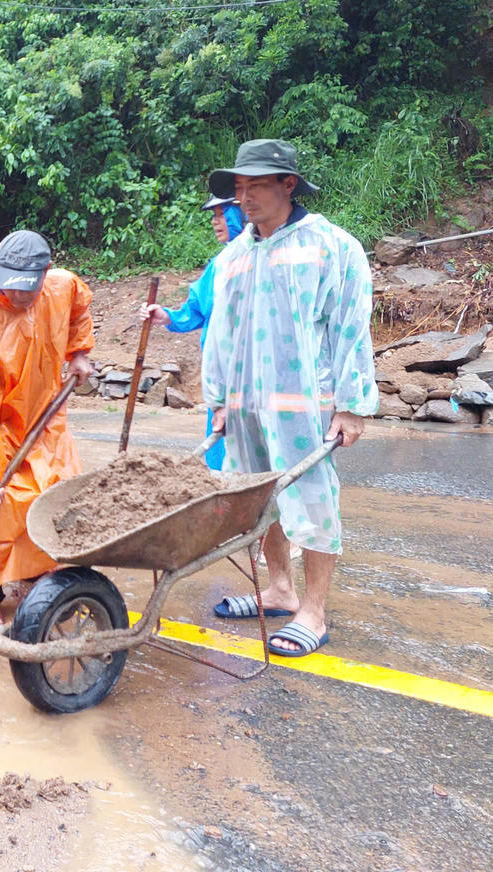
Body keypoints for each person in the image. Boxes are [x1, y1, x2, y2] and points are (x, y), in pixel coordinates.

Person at [201, 140, 377, 657]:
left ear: (288, 185)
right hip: (245, 405)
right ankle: (279, 588)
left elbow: (350, 327)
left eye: (255, 187)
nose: (245, 199)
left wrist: (351, 404)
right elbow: (220, 335)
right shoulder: (233, 256)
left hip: (306, 403)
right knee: (260, 499)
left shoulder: (330, 247)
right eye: (239, 189)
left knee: (314, 500)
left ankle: (314, 612)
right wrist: (216, 400)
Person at [0, 229, 95, 628]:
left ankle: (34, 571)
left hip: (45, 417)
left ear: (44, 274)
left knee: (53, 492)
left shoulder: (61, 287)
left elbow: (80, 305)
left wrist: (78, 353)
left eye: (27, 290)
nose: (19, 297)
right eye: (11, 288)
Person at [139, 196, 246, 470]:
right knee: (221, 448)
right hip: (221, 375)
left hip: (256, 374)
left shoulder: (265, 257)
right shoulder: (220, 265)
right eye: (214, 215)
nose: (214, 221)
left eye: (222, 214)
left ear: (240, 215)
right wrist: (165, 316)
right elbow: (197, 310)